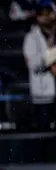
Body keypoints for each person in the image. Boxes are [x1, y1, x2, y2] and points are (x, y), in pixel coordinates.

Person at [23, 0, 56, 131]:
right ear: (37, 17)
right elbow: (33, 65)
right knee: (45, 136)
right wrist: (52, 53)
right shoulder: (31, 38)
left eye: (50, 13)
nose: (47, 16)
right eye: (42, 14)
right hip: (43, 97)